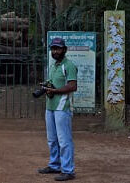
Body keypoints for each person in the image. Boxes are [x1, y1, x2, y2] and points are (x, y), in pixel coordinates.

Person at [38, 38, 78, 181]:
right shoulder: (54, 66)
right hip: (50, 107)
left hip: (62, 107)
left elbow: (73, 86)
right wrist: (47, 87)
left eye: (58, 48)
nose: (55, 51)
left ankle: (68, 170)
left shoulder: (69, 65)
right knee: (52, 139)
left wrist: (55, 91)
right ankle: (54, 165)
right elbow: (53, 84)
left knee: (64, 140)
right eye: (53, 48)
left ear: (64, 50)